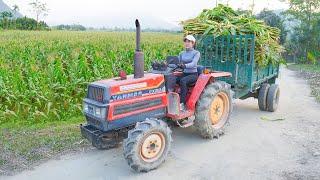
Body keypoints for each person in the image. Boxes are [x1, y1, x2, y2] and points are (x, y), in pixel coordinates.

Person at [174, 35, 201, 110]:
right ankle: (172, 99)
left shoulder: (196, 53)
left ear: (193, 43)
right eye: (186, 41)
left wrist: (184, 66)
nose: (187, 43)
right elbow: (176, 62)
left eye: (189, 42)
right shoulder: (182, 53)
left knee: (183, 81)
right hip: (184, 74)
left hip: (193, 75)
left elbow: (193, 64)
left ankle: (182, 103)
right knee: (172, 79)